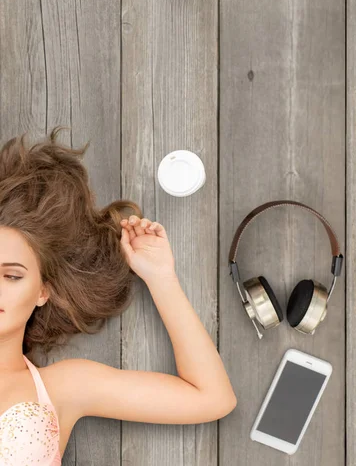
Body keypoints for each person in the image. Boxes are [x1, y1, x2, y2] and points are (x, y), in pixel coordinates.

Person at [0, 126, 236, 465]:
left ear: (42, 292)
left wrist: (161, 278)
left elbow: (212, 398)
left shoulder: (64, 388)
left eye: (11, 276)